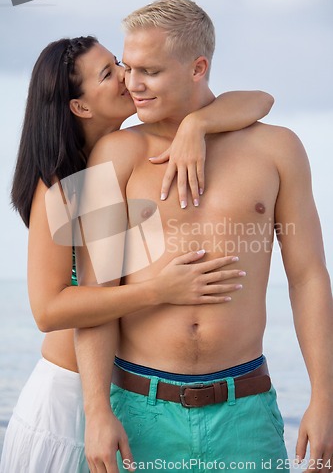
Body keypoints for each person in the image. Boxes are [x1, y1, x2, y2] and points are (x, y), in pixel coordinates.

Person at [75, 0, 333, 473]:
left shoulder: (278, 148)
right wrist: (96, 410)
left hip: (245, 409)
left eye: (149, 71)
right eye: (128, 69)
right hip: (139, 409)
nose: (133, 84)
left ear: (198, 67)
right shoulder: (115, 154)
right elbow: (96, 291)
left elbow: (309, 276)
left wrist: (325, 395)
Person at [0, 34, 273, 473]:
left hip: (124, 399)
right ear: (80, 107)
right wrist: (159, 291)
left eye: (120, 63)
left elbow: (260, 99)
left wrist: (195, 126)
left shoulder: (125, 158)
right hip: (69, 403)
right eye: (110, 73)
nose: (129, 77)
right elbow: (50, 310)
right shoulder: (62, 182)